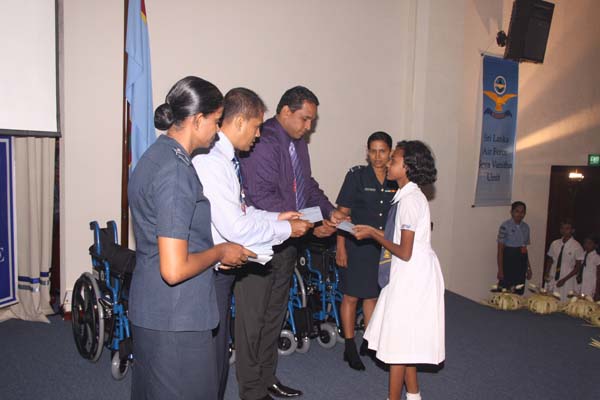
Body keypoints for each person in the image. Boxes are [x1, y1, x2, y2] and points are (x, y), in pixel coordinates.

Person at [128, 76, 255, 400]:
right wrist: (220, 252)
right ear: (197, 120)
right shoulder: (175, 171)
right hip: (176, 316)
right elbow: (174, 269)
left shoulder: (155, 155)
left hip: (153, 307)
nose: (218, 130)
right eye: (216, 121)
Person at [192, 88, 313, 400]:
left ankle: (261, 382)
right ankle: (251, 390)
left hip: (233, 259)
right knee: (214, 357)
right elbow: (236, 227)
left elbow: (243, 209)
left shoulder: (227, 159)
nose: (259, 134)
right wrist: (285, 227)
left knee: (222, 353)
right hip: (216, 266)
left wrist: (278, 218)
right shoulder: (212, 161)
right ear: (240, 122)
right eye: (257, 126)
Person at [238, 86, 346, 400]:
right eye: (305, 119)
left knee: (274, 315)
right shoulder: (263, 141)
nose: (308, 126)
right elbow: (262, 198)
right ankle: (251, 390)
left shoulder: (297, 142)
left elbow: (305, 185)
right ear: (285, 111)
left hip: (287, 243)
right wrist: (309, 226)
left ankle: (267, 377)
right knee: (253, 320)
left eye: (312, 120)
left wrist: (328, 211)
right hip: (260, 245)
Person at [353, 140, 444, 400]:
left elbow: (404, 251)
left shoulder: (409, 201)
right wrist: (372, 231)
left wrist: (373, 234)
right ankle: (414, 395)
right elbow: (398, 237)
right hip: (410, 272)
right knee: (406, 342)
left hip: (412, 277)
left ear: (407, 167)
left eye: (393, 160)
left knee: (398, 347)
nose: (388, 163)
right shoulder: (408, 196)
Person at [335, 131, 397, 371]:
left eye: (382, 151)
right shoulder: (357, 176)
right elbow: (342, 215)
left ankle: (369, 342)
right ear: (367, 152)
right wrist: (341, 246)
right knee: (351, 296)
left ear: (390, 152)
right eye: (373, 151)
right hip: (356, 245)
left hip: (382, 247)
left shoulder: (395, 178)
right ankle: (349, 346)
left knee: (372, 296)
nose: (377, 156)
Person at [496, 201, 532, 294]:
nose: (519, 214)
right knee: (505, 291)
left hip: (521, 261)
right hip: (508, 260)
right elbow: (500, 250)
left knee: (518, 290)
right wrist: (500, 270)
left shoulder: (526, 227)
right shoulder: (505, 226)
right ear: (511, 212)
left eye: (522, 212)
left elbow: (524, 249)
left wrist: (528, 268)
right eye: (517, 211)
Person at [543, 219, 584, 300]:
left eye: (567, 228)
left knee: (564, 299)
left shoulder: (577, 246)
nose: (564, 231)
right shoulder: (555, 243)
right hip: (553, 275)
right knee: (550, 298)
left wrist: (564, 279)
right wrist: (547, 273)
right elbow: (550, 259)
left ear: (572, 230)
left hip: (567, 277)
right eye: (562, 228)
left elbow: (578, 267)